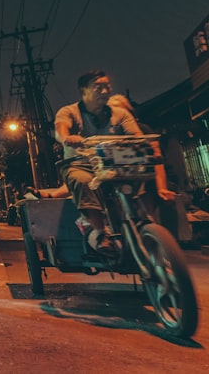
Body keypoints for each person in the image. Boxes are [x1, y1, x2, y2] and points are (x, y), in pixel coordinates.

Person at [54, 70, 173, 256]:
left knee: (146, 173)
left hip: (115, 162)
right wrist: (67, 138)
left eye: (107, 87)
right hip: (82, 163)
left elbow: (137, 136)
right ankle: (100, 233)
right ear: (83, 91)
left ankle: (145, 222)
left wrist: (148, 150)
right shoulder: (69, 112)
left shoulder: (120, 114)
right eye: (98, 87)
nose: (104, 91)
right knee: (81, 180)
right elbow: (61, 130)